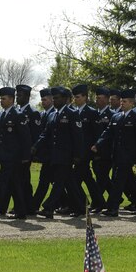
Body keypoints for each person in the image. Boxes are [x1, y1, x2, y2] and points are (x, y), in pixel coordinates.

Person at [91, 88, 136, 216]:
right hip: (116, 154)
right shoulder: (116, 117)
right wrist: (98, 144)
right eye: (121, 101)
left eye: (125, 102)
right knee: (131, 182)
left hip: (128, 155)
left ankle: (113, 208)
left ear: (132, 103)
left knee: (118, 181)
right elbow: (108, 133)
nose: (122, 103)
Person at [34, 86, 85, 218]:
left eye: (57, 98)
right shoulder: (52, 115)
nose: (54, 100)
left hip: (66, 155)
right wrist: (35, 147)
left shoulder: (72, 114)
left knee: (59, 182)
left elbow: (78, 137)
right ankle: (80, 207)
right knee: (69, 183)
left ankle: (48, 207)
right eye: (54, 98)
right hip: (55, 156)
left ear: (65, 99)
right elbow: (46, 134)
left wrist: (78, 155)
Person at [0, 87, 32, 219]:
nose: (1, 101)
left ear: (11, 99)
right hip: (3, 155)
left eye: (4, 99)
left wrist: (26, 156)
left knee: (3, 183)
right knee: (15, 184)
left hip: (14, 156)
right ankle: (21, 211)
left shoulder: (18, 115)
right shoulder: (0, 115)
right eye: (1, 99)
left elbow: (25, 137)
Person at [71, 84, 106, 212]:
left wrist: (97, 150)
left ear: (85, 97)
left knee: (74, 179)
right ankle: (99, 202)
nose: (76, 99)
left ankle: (80, 203)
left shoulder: (92, 113)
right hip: (77, 151)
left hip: (86, 152)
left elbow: (98, 133)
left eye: (78, 97)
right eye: (74, 97)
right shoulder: (73, 112)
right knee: (87, 178)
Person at [16, 84, 41, 214]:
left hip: (26, 153)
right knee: (21, 180)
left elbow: (35, 135)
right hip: (17, 153)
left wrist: (32, 152)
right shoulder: (17, 111)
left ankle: (27, 206)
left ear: (27, 96)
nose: (17, 98)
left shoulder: (33, 113)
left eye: (19, 95)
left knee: (24, 180)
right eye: (16, 95)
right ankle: (26, 205)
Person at [32, 87, 55, 212]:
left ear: (51, 100)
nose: (43, 102)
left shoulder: (53, 114)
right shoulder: (42, 114)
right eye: (42, 100)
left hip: (51, 154)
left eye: (45, 99)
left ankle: (35, 205)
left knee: (46, 180)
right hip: (45, 154)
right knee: (49, 180)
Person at [93, 87, 115, 201]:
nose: (97, 100)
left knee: (101, 177)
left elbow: (110, 135)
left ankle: (97, 202)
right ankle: (116, 197)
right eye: (96, 98)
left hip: (106, 152)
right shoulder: (94, 114)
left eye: (99, 98)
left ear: (107, 99)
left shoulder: (112, 114)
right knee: (101, 176)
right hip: (94, 150)